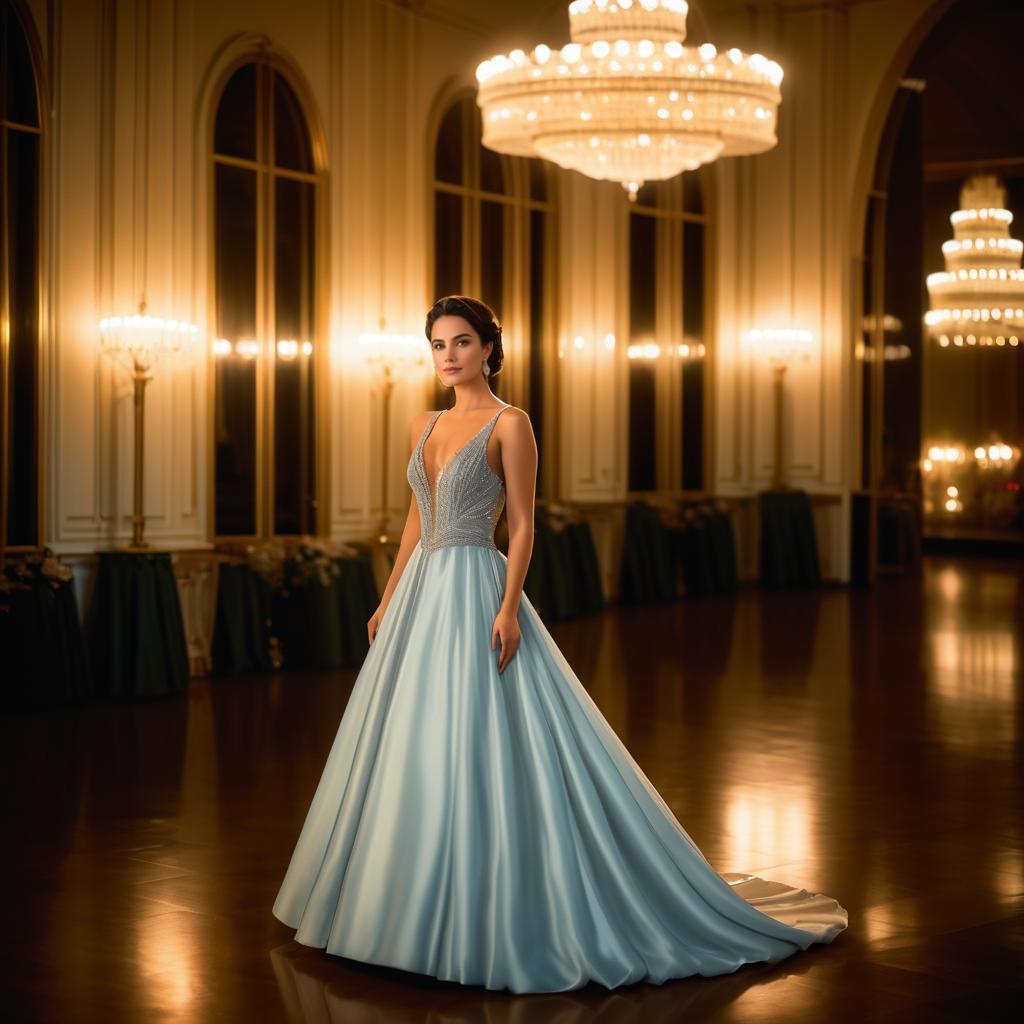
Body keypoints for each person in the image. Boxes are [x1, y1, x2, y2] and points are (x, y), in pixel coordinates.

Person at [272, 295, 848, 993]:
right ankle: (390, 909)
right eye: (437, 344)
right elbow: (415, 523)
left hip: (475, 588)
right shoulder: (424, 423)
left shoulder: (512, 424)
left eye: (460, 342)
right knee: (409, 740)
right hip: (422, 592)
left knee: (483, 736)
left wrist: (510, 606)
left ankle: (479, 910)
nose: (448, 355)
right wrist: (388, 596)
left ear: (488, 348)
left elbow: (521, 527)